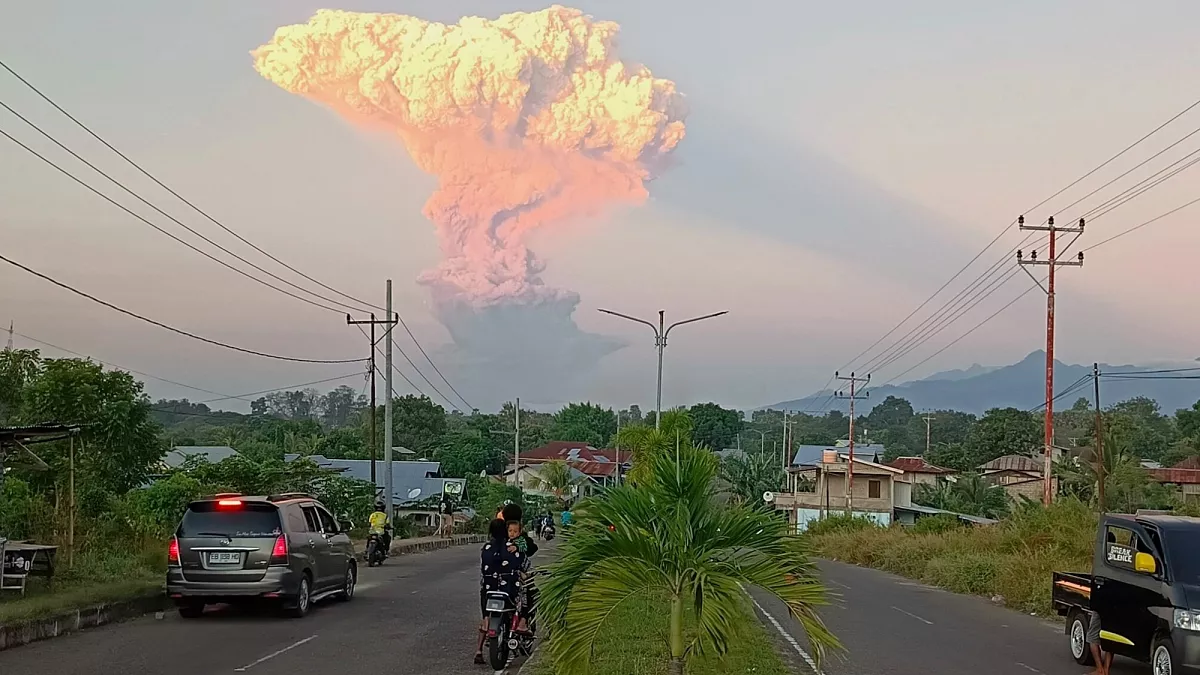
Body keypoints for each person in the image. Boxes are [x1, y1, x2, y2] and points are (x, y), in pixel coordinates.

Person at [474, 518, 523, 665]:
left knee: (486, 619)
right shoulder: (512, 548)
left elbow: (483, 572)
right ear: (506, 531)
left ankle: (478, 650)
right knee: (521, 603)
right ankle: (520, 627)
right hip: (508, 590)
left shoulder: (486, 549)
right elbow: (523, 565)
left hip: (489, 592)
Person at [1086, 609, 1111, 675]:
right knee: (1110, 637)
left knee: (1092, 637)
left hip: (1101, 607)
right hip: (1115, 607)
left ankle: (1100, 670)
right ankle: (1106, 670)